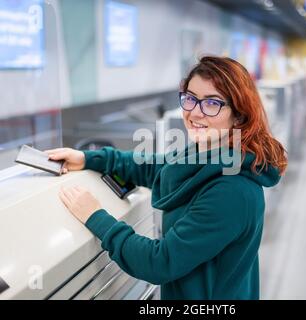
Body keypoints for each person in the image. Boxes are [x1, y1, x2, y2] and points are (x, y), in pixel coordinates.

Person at [46, 56, 287, 300]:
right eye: (190, 99)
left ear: (239, 116)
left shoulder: (232, 190)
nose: (195, 112)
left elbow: (160, 262)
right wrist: (89, 159)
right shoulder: (207, 155)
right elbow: (154, 167)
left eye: (212, 103)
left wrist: (94, 215)